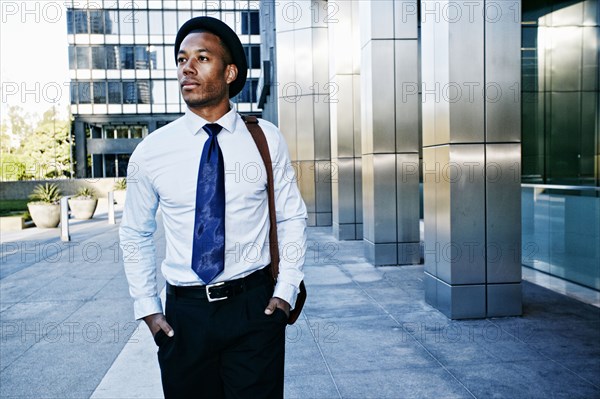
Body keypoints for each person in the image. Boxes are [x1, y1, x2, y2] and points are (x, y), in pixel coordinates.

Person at [119, 16, 307, 399]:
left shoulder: (265, 139)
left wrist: (285, 292)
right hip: (185, 317)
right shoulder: (151, 151)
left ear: (230, 72)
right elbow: (135, 232)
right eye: (181, 58)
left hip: (254, 309)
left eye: (202, 57)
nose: (186, 67)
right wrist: (149, 310)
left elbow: (291, 216)